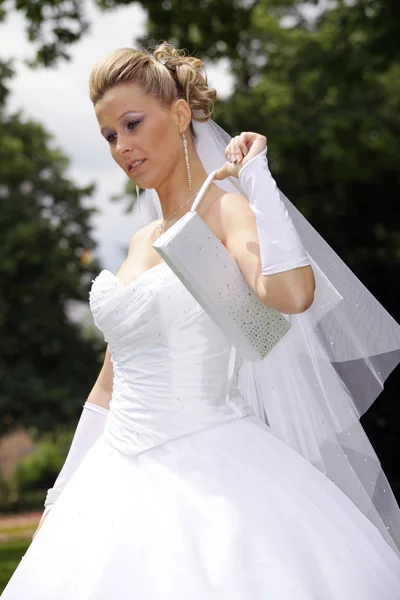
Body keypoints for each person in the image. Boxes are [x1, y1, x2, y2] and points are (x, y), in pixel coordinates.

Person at [2, 41, 400, 599]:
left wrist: (258, 184)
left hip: (213, 468)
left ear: (181, 114)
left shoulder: (224, 211)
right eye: (110, 136)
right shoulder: (140, 241)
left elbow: (291, 293)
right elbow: (108, 386)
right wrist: (62, 494)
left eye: (133, 124)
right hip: (113, 479)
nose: (122, 147)